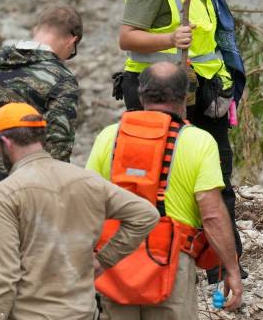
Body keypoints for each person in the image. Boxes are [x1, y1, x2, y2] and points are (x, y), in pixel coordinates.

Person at [115, 0, 245, 282]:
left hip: (202, 89)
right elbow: (127, 37)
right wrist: (170, 37)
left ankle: (221, 264)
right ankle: (156, 258)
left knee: (216, 175)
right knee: (158, 177)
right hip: (158, 94)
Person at [0, 5, 83, 320]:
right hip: (17, 203)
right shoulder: (60, 77)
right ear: (72, 40)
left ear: (37, 30)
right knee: (24, 299)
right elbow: (58, 149)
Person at [89, 62, 243, 318]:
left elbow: (88, 205)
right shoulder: (199, 141)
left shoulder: (109, 136)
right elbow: (212, 216)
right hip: (172, 263)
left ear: (141, 94)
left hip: (114, 261)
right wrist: (231, 269)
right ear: (185, 97)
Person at [0, 103, 159, 319]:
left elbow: (3, 276)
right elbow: (146, 214)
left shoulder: (5, 194)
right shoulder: (87, 180)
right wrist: (104, 260)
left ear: (6, 142)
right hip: (83, 313)